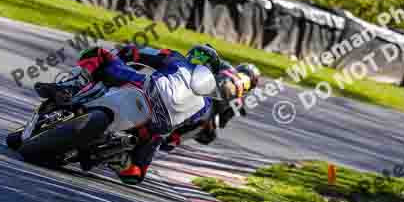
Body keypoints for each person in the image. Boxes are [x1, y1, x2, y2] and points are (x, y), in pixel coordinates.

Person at [34, 44, 258, 184]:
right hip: (157, 125)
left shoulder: (178, 59)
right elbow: (194, 132)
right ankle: (118, 156)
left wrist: (128, 52)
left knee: (100, 54)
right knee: (136, 172)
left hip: (147, 99)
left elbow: (136, 52)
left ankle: (75, 87)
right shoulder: (209, 102)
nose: (231, 88)